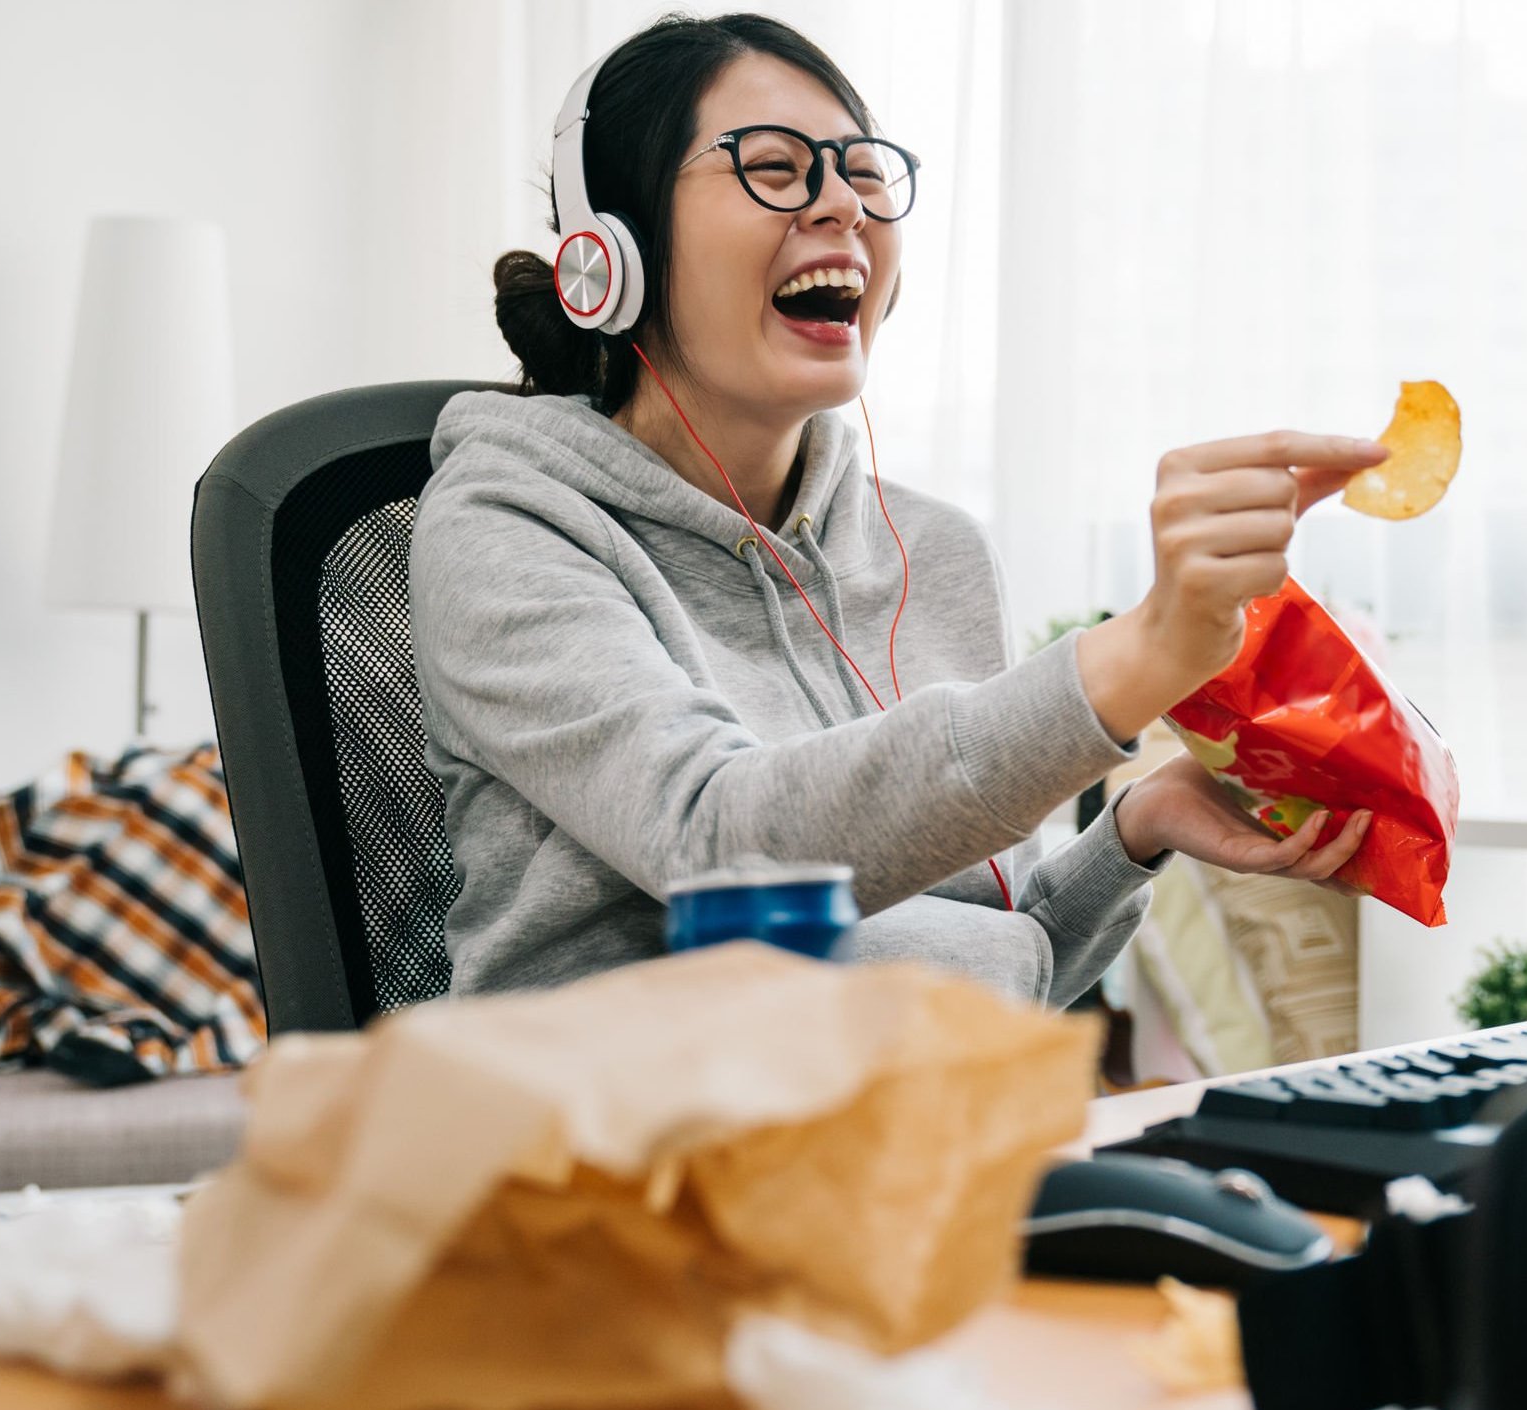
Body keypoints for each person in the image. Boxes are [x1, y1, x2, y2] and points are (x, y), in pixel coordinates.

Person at [412, 13, 1387, 1002]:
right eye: (777, 169)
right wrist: (1132, 659)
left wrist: (1133, 834)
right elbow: (715, 845)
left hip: (916, 1123)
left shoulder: (935, 551)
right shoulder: (507, 529)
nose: (842, 205)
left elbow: (1006, 964)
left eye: (862, 171)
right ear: (611, 256)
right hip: (631, 1138)